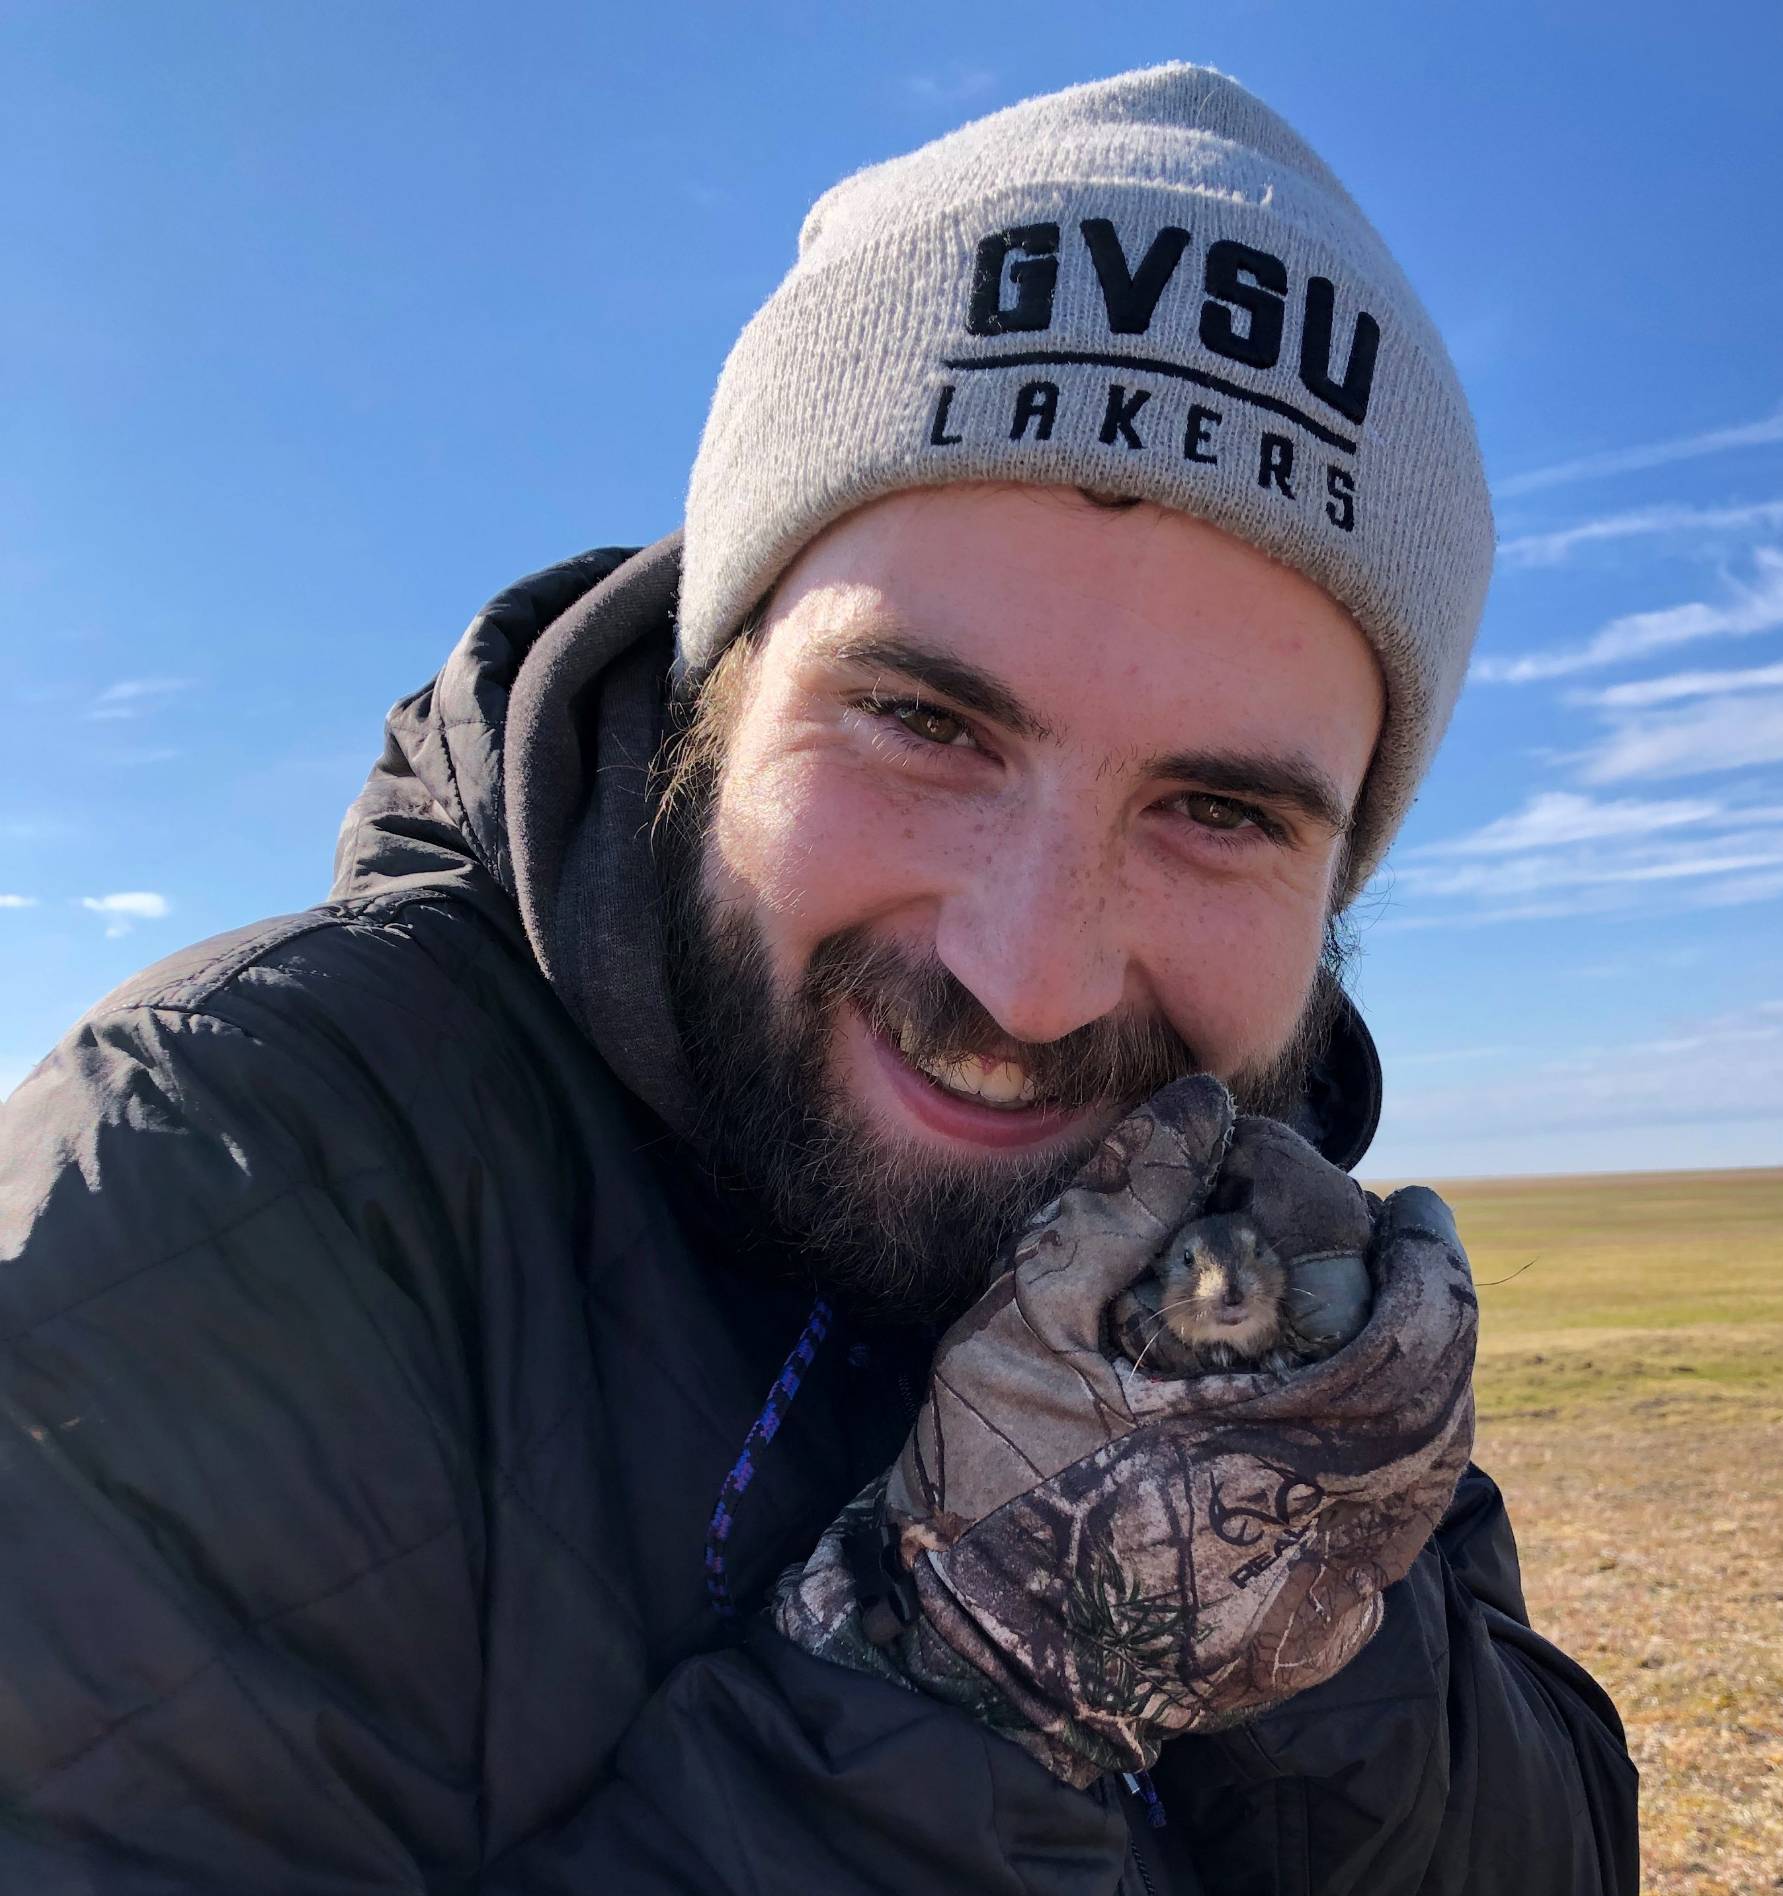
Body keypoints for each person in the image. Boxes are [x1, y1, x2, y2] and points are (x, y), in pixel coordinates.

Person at [0, 64, 1639, 1895]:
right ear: (717, 687)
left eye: (1220, 812)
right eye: (924, 721)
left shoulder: (1256, 1248)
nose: (1026, 978)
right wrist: (972, 1692)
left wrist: (1323, 1639)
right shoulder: (229, 1194)